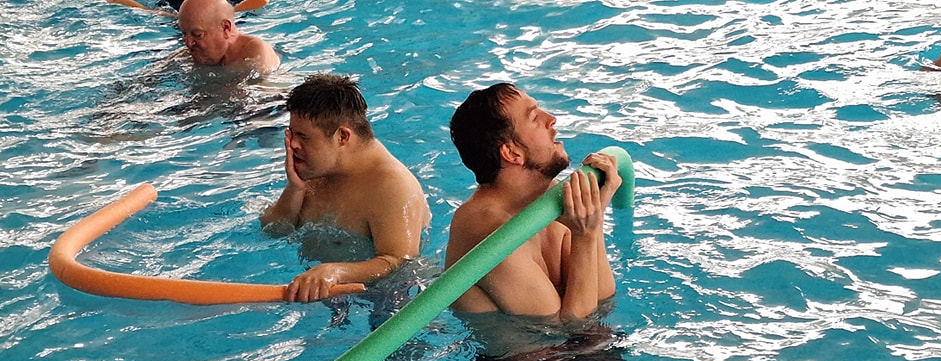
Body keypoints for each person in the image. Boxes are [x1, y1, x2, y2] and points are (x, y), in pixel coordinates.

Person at [445, 82, 621, 321]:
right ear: (512, 153)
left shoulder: (547, 195)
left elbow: (603, 299)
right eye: (535, 118)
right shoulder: (488, 232)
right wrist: (586, 235)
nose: (551, 119)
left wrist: (594, 217)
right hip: (530, 345)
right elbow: (569, 328)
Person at [260, 74, 431, 303]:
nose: (292, 144)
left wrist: (336, 272)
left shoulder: (393, 186)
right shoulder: (318, 168)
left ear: (342, 136)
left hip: (386, 297)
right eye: (292, 133)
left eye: (303, 137)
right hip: (322, 293)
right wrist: (295, 188)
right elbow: (274, 231)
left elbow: (398, 262)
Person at [176, 0, 279, 74]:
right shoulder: (186, 56)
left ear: (225, 28)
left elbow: (266, 92)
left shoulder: (254, 52)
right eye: (184, 34)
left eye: (198, 35)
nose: (188, 43)